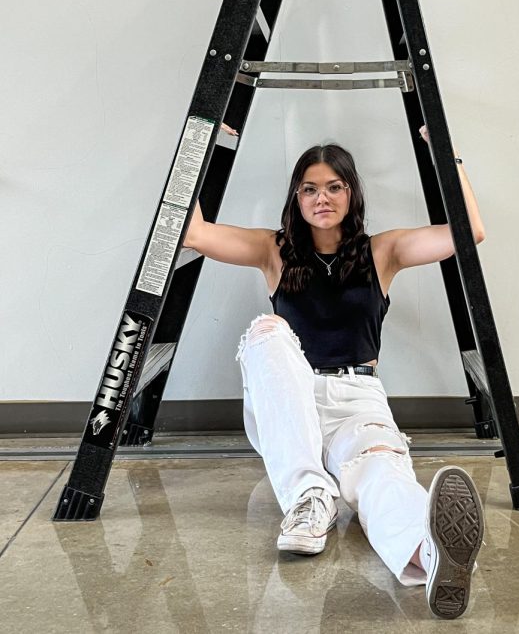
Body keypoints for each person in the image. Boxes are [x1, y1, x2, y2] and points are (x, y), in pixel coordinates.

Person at [184, 126, 485, 620]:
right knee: (268, 330)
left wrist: (448, 154)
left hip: (357, 398)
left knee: (381, 473)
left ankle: (430, 555)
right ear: (296, 198)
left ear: (351, 193)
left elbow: (467, 234)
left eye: (334, 187)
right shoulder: (272, 250)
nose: (322, 198)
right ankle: (308, 499)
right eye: (309, 188)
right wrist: (203, 142)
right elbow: (194, 233)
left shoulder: (381, 252)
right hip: (290, 398)